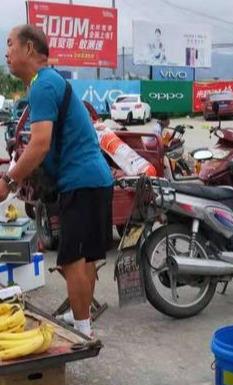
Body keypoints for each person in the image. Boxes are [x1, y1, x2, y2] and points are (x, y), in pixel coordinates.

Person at [1, 24, 113, 338]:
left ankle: (81, 332)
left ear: (29, 49)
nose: (6, 53)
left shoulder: (42, 84)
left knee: (73, 259)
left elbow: (40, 144)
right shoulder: (49, 82)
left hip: (81, 181)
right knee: (85, 258)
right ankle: (84, 326)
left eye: (10, 45)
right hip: (95, 179)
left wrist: (9, 181)